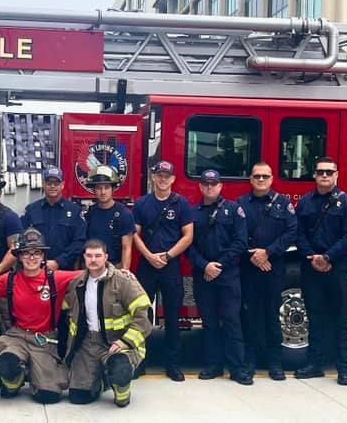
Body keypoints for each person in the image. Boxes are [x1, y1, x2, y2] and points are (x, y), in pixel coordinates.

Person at [0, 228, 84, 404]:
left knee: (48, 396)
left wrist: (117, 272)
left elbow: (89, 273)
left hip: (44, 341)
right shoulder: (9, 280)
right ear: (19, 257)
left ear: (43, 256)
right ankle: (14, 381)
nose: (31, 257)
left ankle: (33, 373)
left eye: (36, 253)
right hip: (16, 336)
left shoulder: (55, 279)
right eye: (26, 253)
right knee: (8, 362)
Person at [293, 157, 347, 386]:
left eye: (329, 172)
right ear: (314, 175)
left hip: (337, 268)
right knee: (315, 318)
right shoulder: (305, 202)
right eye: (320, 172)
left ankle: (344, 369)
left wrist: (328, 257)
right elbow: (298, 233)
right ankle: (315, 364)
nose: (324, 176)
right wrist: (312, 257)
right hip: (311, 266)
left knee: (341, 320)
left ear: (336, 175)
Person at [65, 239, 151, 407]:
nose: (93, 260)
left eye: (98, 255)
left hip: (117, 343)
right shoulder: (77, 283)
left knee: (120, 369)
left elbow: (143, 316)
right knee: (78, 397)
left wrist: (124, 341)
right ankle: (102, 381)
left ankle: (122, 392)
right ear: (84, 257)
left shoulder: (124, 281)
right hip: (88, 344)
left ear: (106, 257)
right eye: (89, 256)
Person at [187, 170, 253, 385]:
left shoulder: (234, 210)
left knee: (232, 321)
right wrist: (205, 265)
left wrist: (219, 265)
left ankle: (237, 369)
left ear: (220, 186)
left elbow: (240, 242)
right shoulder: (193, 213)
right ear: (200, 186)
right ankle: (213, 366)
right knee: (209, 322)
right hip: (203, 275)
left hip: (228, 275)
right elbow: (188, 246)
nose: (209, 187)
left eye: (213, 184)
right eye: (205, 184)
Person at [132, 160, 194, 381]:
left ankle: (173, 365)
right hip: (147, 265)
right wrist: (149, 256)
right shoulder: (142, 204)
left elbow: (188, 236)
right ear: (153, 177)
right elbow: (134, 234)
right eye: (159, 175)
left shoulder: (182, 204)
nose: (162, 179)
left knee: (173, 316)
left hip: (171, 265)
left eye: (166, 176)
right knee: (141, 315)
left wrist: (167, 256)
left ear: (173, 179)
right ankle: (139, 363)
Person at [237, 163, 297, 381]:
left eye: (265, 176)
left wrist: (268, 252)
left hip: (274, 268)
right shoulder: (241, 204)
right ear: (251, 180)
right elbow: (236, 234)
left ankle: (275, 364)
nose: (261, 180)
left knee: (273, 316)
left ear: (272, 179)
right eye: (257, 176)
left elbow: (291, 232)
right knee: (249, 317)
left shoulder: (283, 203)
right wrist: (254, 255)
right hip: (249, 268)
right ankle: (249, 363)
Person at [21, 166, 87, 271]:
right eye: (49, 183)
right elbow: (22, 240)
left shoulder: (75, 211)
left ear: (62, 185)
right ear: (43, 184)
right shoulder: (31, 210)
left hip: (65, 269)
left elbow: (79, 242)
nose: (52, 186)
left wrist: (59, 262)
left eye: (56, 183)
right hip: (36, 268)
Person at [84, 165, 135, 269]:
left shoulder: (124, 214)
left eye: (107, 187)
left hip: (114, 268)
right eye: (99, 188)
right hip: (92, 268)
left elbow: (126, 248)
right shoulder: (89, 213)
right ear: (94, 190)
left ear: (113, 188)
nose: (103, 192)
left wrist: (124, 273)